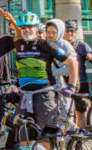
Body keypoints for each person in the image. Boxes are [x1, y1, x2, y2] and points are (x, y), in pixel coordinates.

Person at [8, 11, 79, 139]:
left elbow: (73, 63)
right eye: (23, 27)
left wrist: (71, 86)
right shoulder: (19, 45)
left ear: (36, 28)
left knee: (45, 136)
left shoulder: (46, 44)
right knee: (23, 136)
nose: (27, 30)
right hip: (24, 97)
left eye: (30, 27)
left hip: (44, 96)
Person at [63, 20, 92, 128]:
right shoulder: (60, 45)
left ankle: (80, 138)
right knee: (64, 112)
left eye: (72, 31)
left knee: (81, 112)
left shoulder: (81, 45)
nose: (70, 33)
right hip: (64, 82)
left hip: (80, 82)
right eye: (67, 31)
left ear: (75, 32)